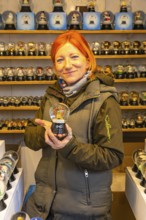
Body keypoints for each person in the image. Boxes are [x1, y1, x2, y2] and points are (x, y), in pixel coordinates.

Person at [23, 30, 124, 220]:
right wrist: (42, 136)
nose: (67, 65)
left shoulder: (104, 101)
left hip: (84, 211)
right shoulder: (52, 95)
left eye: (74, 56)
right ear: (54, 66)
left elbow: (113, 156)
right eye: (60, 59)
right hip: (45, 206)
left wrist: (69, 147)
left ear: (88, 60)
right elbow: (30, 136)